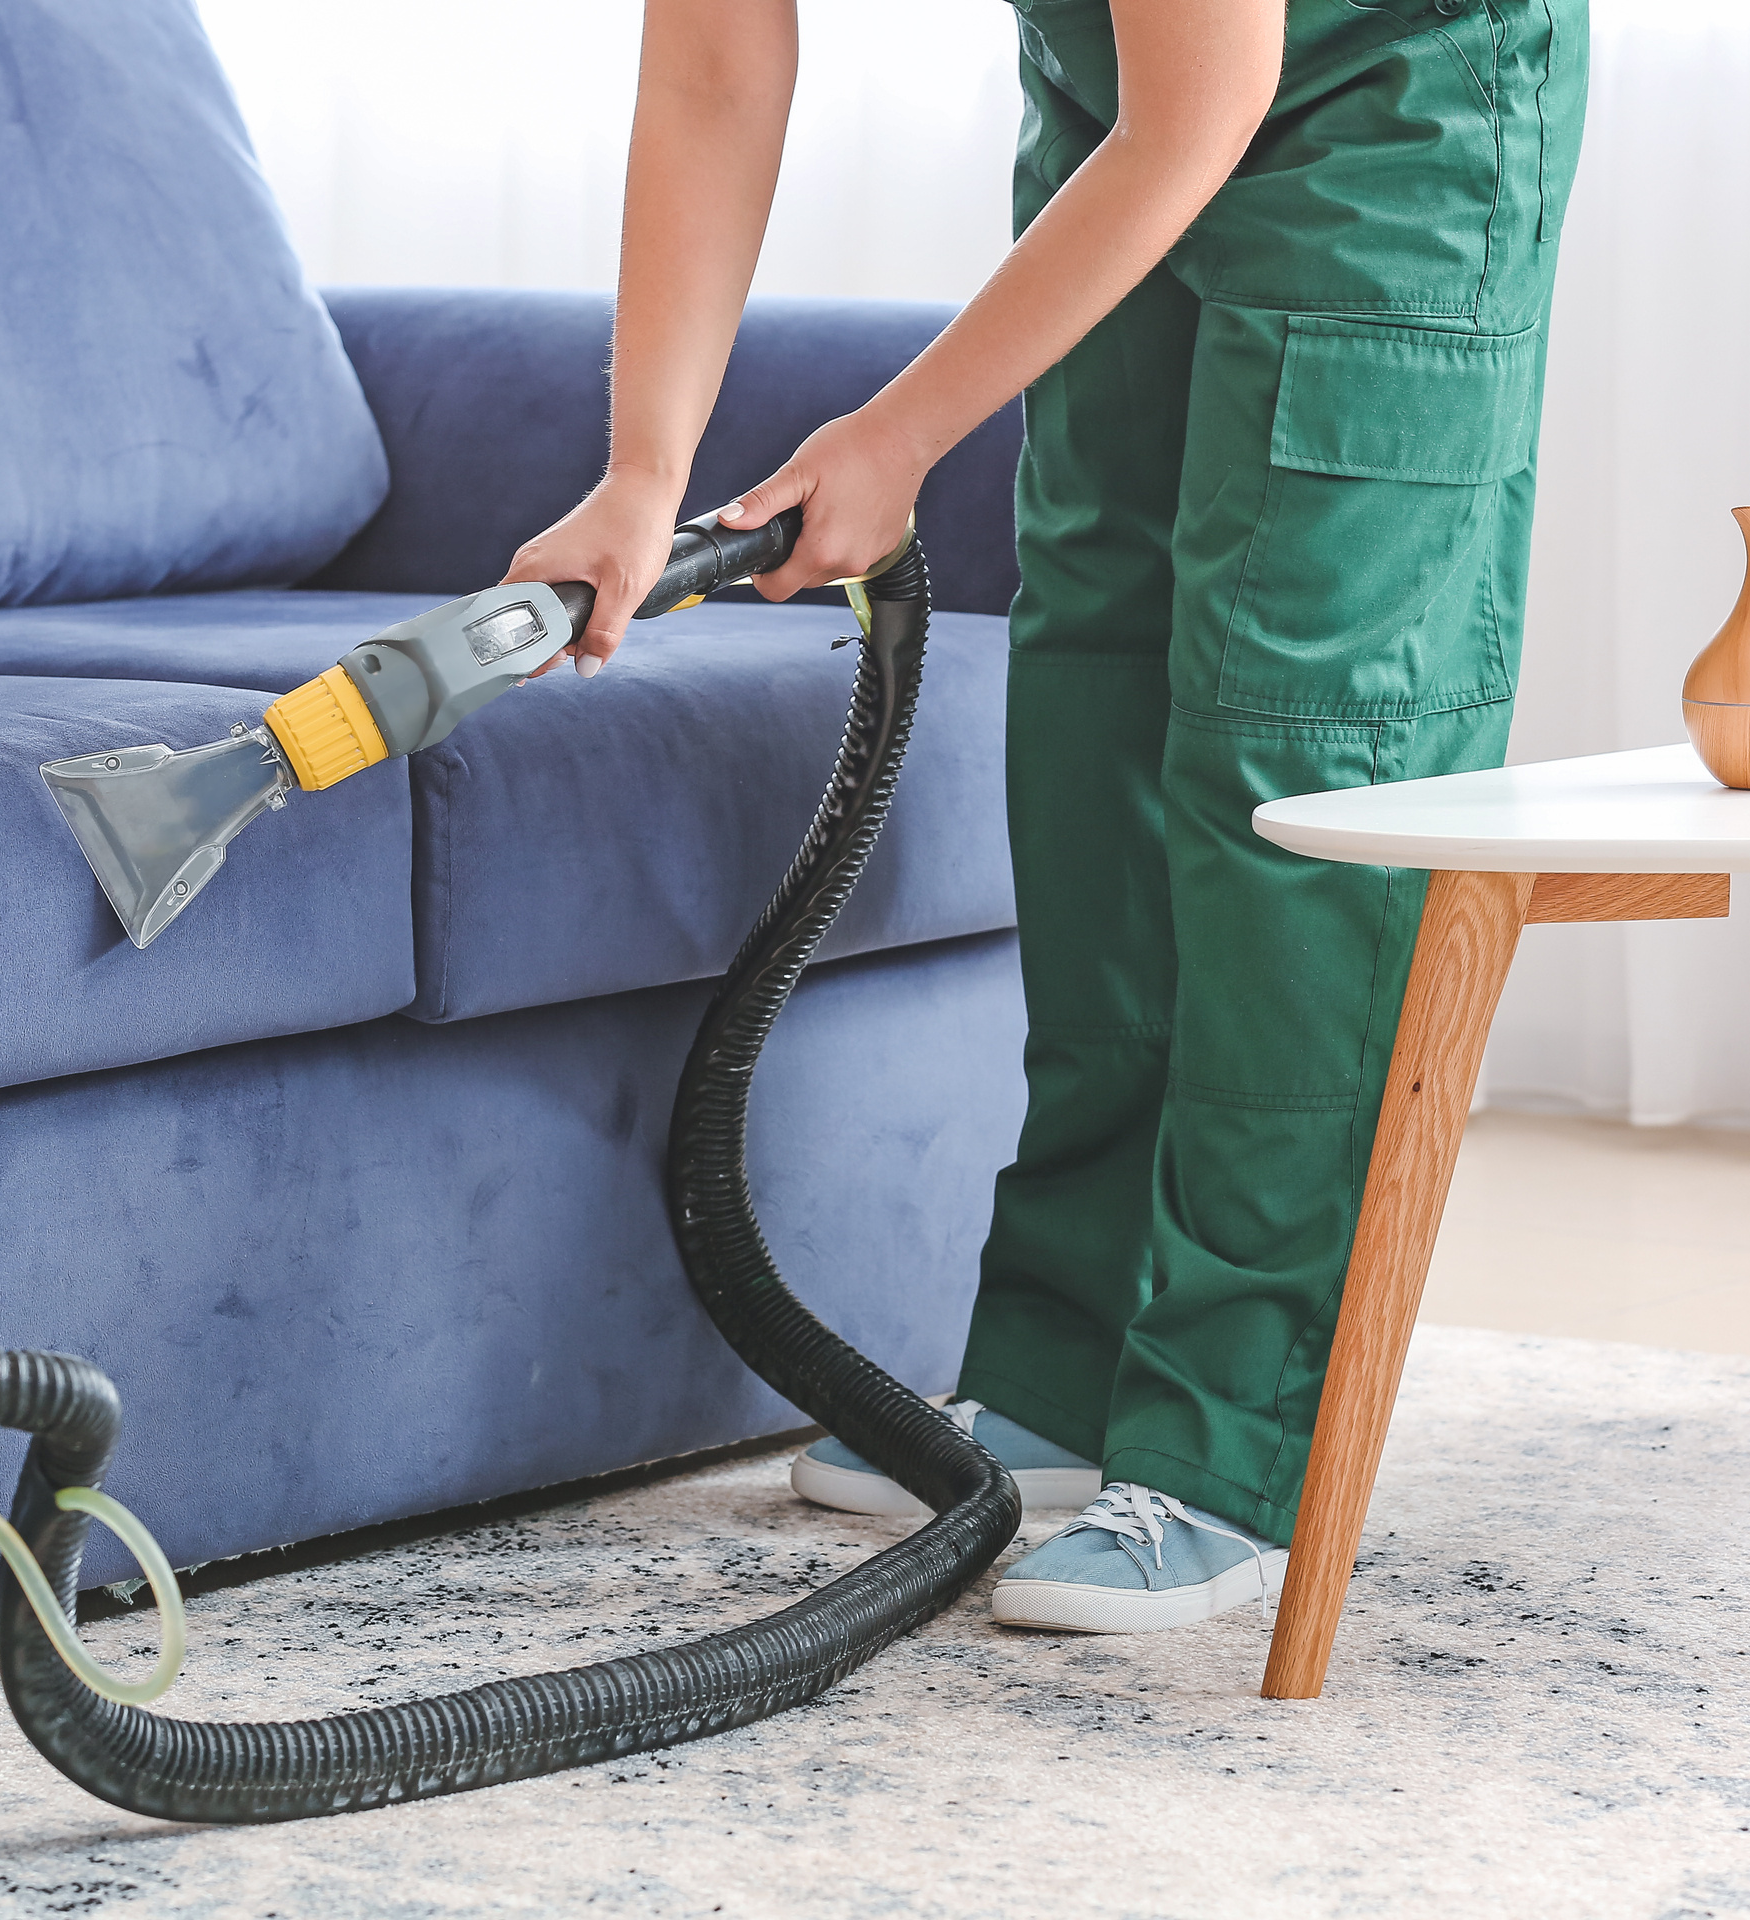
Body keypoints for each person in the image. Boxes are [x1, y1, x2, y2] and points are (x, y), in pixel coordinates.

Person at [511, 0, 1586, 1633]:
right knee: (1096, 700)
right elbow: (717, 65)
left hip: (1398, 86)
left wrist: (903, 436)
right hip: (1122, 91)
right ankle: (1068, 1370)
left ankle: (1242, 1437)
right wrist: (644, 471)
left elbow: (1208, 99)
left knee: (1290, 736)